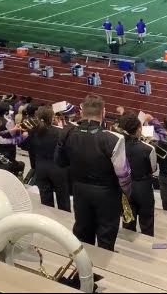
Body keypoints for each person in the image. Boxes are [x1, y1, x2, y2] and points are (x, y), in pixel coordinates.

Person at [56, 94, 132, 251]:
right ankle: (102, 270)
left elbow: (60, 162)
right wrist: (127, 193)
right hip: (107, 194)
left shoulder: (67, 133)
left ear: (81, 111)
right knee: (106, 237)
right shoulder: (114, 138)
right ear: (103, 112)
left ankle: (82, 270)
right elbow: (123, 175)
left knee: (82, 233)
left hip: (79, 191)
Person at [22, 107, 70, 210]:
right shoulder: (60, 132)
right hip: (58, 170)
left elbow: (26, 146)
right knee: (63, 202)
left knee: (45, 202)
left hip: (41, 169)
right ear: (52, 118)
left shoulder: (33, 132)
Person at [117, 112, 157, 236]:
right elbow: (153, 169)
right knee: (147, 223)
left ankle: (129, 247)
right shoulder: (148, 148)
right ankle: (150, 247)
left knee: (128, 221)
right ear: (139, 129)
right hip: (144, 188)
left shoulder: (117, 145)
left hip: (124, 187)